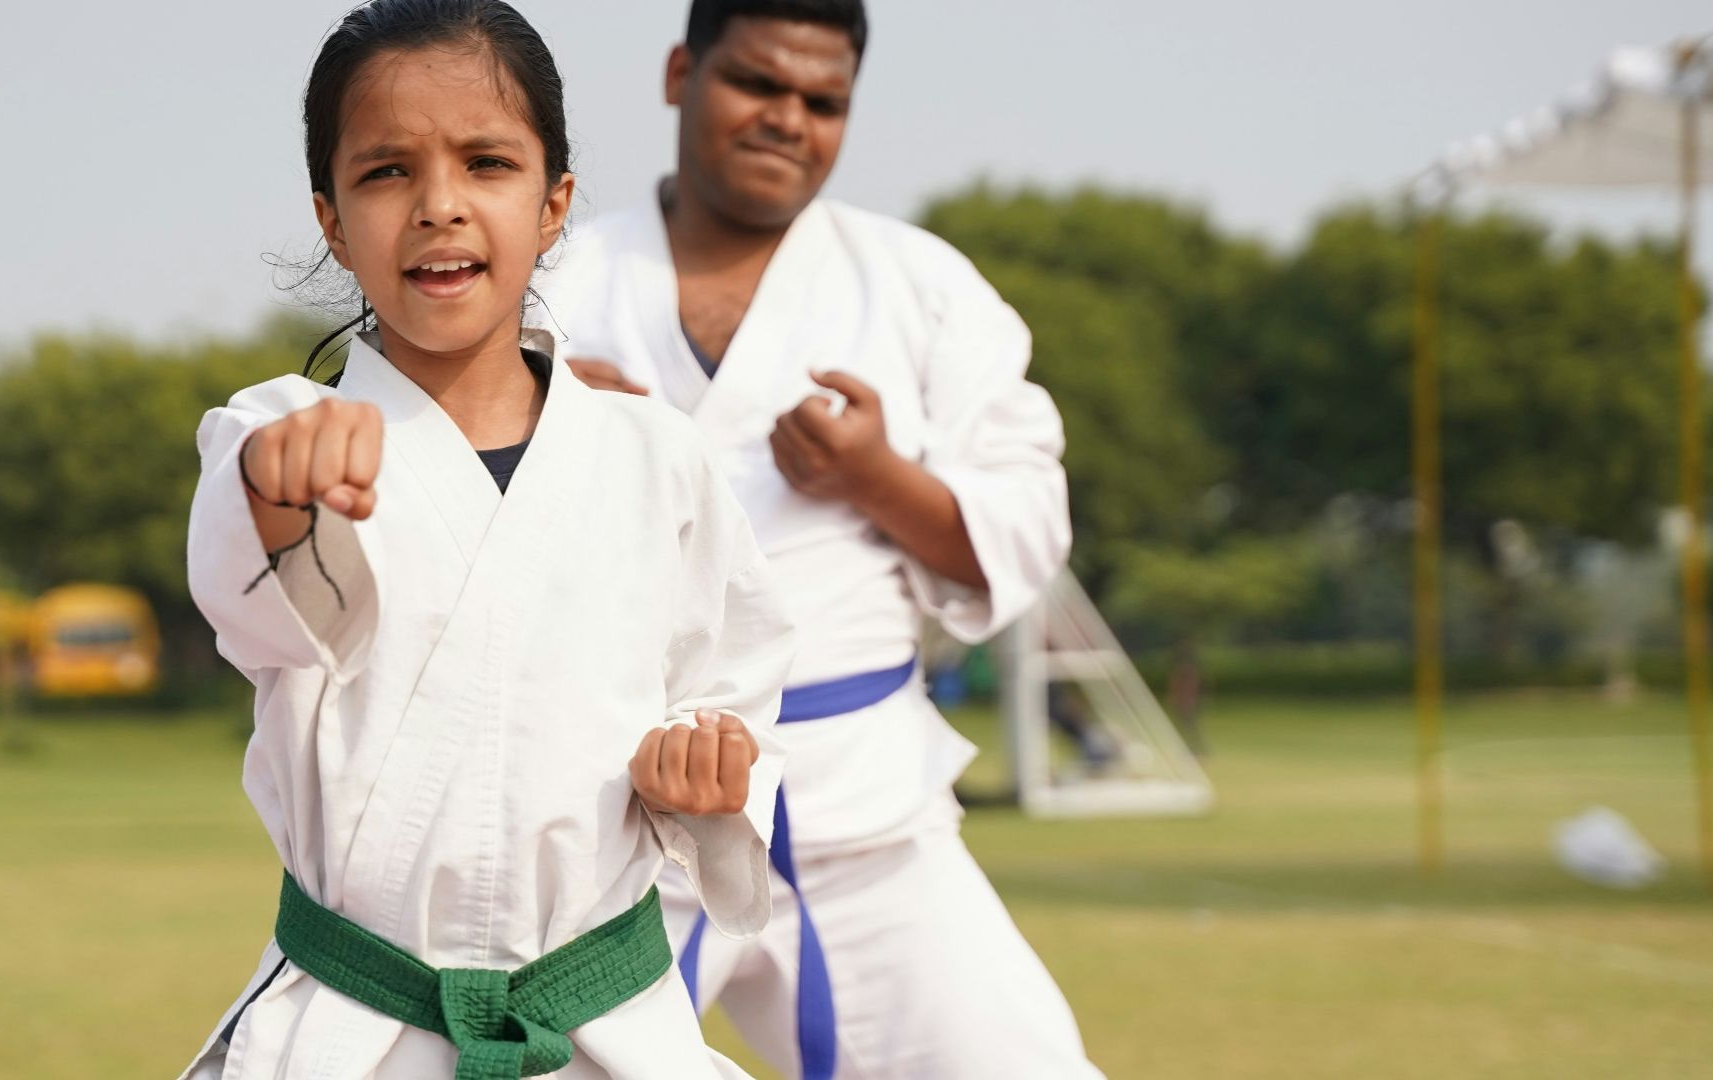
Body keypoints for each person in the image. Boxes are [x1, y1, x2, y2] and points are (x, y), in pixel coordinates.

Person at [177, 2, 795, 1077]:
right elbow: (252, 580)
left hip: (603, 1025)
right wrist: (280, 490)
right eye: (386, 172)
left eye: (487, 162)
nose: (439, 205)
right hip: (358, 1027)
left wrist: (705, 774)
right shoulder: (279, 430)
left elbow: (730, 687)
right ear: (332, 220)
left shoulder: (656, 458)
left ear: (553, 205)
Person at [534, 2, 1101, 1075]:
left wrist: (875, 477)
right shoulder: (551, 285)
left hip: (864, 821)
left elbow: (1025, 536)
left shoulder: (922, 288)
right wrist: (540, 433)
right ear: (680, 74)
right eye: (756, 83)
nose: (787, 119)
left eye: (822, 101)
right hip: (600, 829)